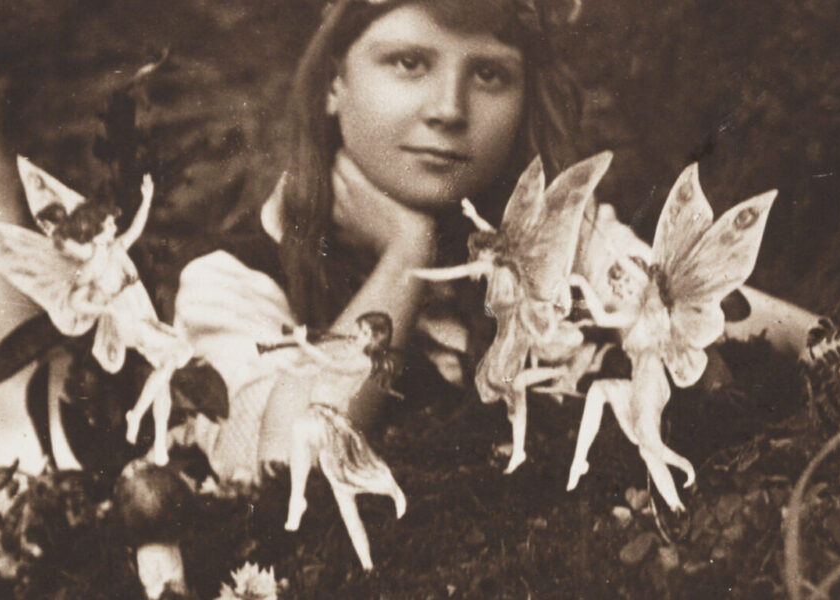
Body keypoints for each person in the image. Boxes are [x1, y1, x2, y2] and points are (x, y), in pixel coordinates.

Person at [165, 0, 585, 485]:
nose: (449, 109)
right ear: (332, 83)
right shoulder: (232, 281)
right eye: (409, 64)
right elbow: (286, 461)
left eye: (489, 74)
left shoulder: (572, 248)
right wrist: (405, 259)